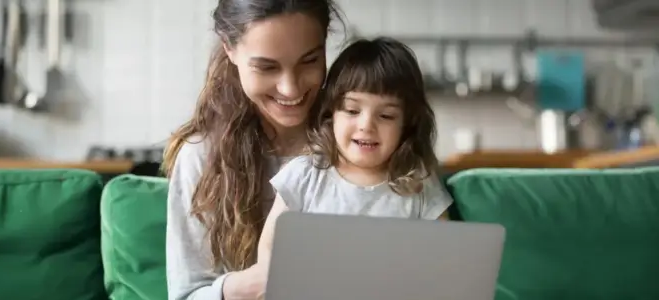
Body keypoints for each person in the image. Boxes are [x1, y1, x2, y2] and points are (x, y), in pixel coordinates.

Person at [161, 0, 343, 299]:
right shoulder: (200, 157)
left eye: (309, 61)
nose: (291, 89)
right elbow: (185, 295)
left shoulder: (358, 142)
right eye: (267, 67)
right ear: (229, 48)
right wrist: (244, 287)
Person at [256, 38, 454, 265]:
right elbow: (270, 250)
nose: (366, 125)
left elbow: (443, 258)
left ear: (407, 124)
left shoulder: (419, 184)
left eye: (386, 116)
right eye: (352, 110)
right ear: (331, 114)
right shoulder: (303, 176)